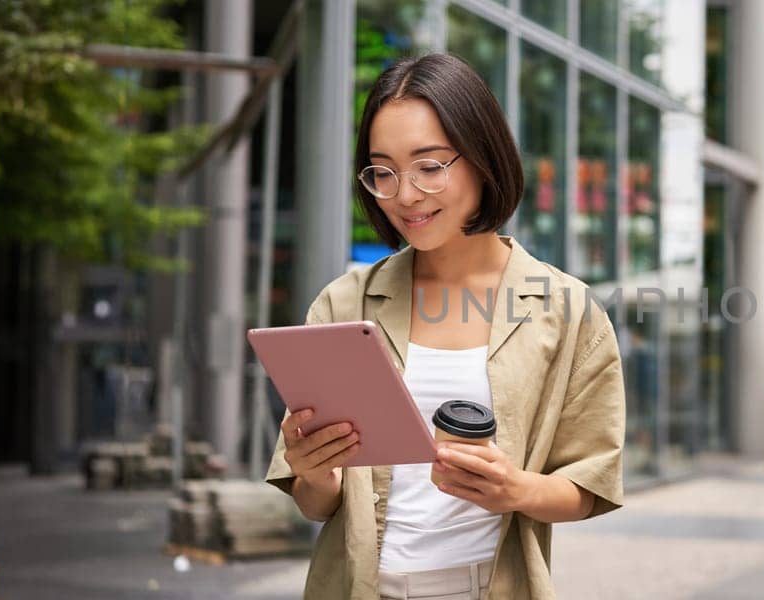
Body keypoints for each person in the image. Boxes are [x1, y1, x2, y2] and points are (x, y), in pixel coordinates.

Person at [266, 53, 625, 600]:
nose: (404, 195)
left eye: (429, 166)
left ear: (483, 158)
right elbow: (317, 504)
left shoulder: (566, 309)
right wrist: (313, 472)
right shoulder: (345, 304)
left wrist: (515, 489)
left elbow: (589, 485)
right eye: (382, 171)